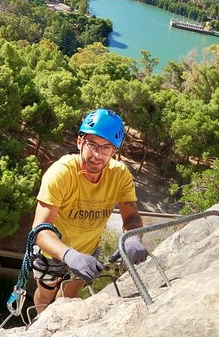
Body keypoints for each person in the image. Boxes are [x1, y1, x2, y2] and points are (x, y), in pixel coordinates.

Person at [30, 108, 148, 312]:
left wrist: (132, 237)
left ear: (114, 151)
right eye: (91, 144)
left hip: (87, 252)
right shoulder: (61, 174)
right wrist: (68, 255)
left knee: (69, 296)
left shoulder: (119, 175)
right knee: (45, 293)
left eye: (106, 148)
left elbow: (132, 217)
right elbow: (40, 231)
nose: (97, 155)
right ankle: (40, 321)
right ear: (79, 142)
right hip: (52, 253)